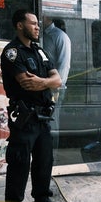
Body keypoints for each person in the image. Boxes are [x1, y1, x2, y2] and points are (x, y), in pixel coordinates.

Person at [1, 9, 62, 202]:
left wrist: (42, 82)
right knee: (19, 162)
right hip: (24, 117)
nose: (38, 27)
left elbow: (58, 80)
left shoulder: (40, 51)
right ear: (20, 25)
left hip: (43, 117)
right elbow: (27, 83)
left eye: (38, 24)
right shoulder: (12, 52)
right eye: (33, 23)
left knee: (44, 160)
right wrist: (48, 82)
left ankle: (42, 199)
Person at [43, 16, 71, 150]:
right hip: (41, 86)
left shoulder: (60, 36)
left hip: (54, 88)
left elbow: (64, 65)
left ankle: (52, 155)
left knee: (52, 123)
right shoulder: (40, 35)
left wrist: (56, 88)